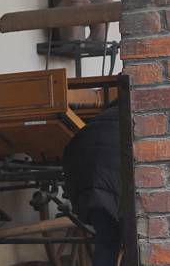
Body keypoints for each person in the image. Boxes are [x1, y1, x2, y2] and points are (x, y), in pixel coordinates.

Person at [62, 105, 123, 266]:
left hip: (87, 183)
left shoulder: (100, 122)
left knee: (106, 242)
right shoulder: (133, 118)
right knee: (134, 243)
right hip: (115, 181)